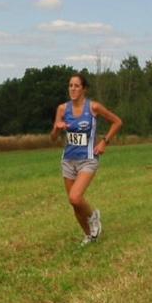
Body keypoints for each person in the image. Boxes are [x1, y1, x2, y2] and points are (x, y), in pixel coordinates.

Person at [50, 74, 122, 245]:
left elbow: (117, 122)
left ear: (84, 89)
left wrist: (105, 142)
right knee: (75, 204)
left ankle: (93, 216)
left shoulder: (93, 107)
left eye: (76, 86)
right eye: (70, 85)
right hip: (68, 160)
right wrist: (57, 129)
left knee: (75, 197)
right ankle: (90, 235)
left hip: (88, 159)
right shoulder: (62, 109)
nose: (73, 89)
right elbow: (53, 138)